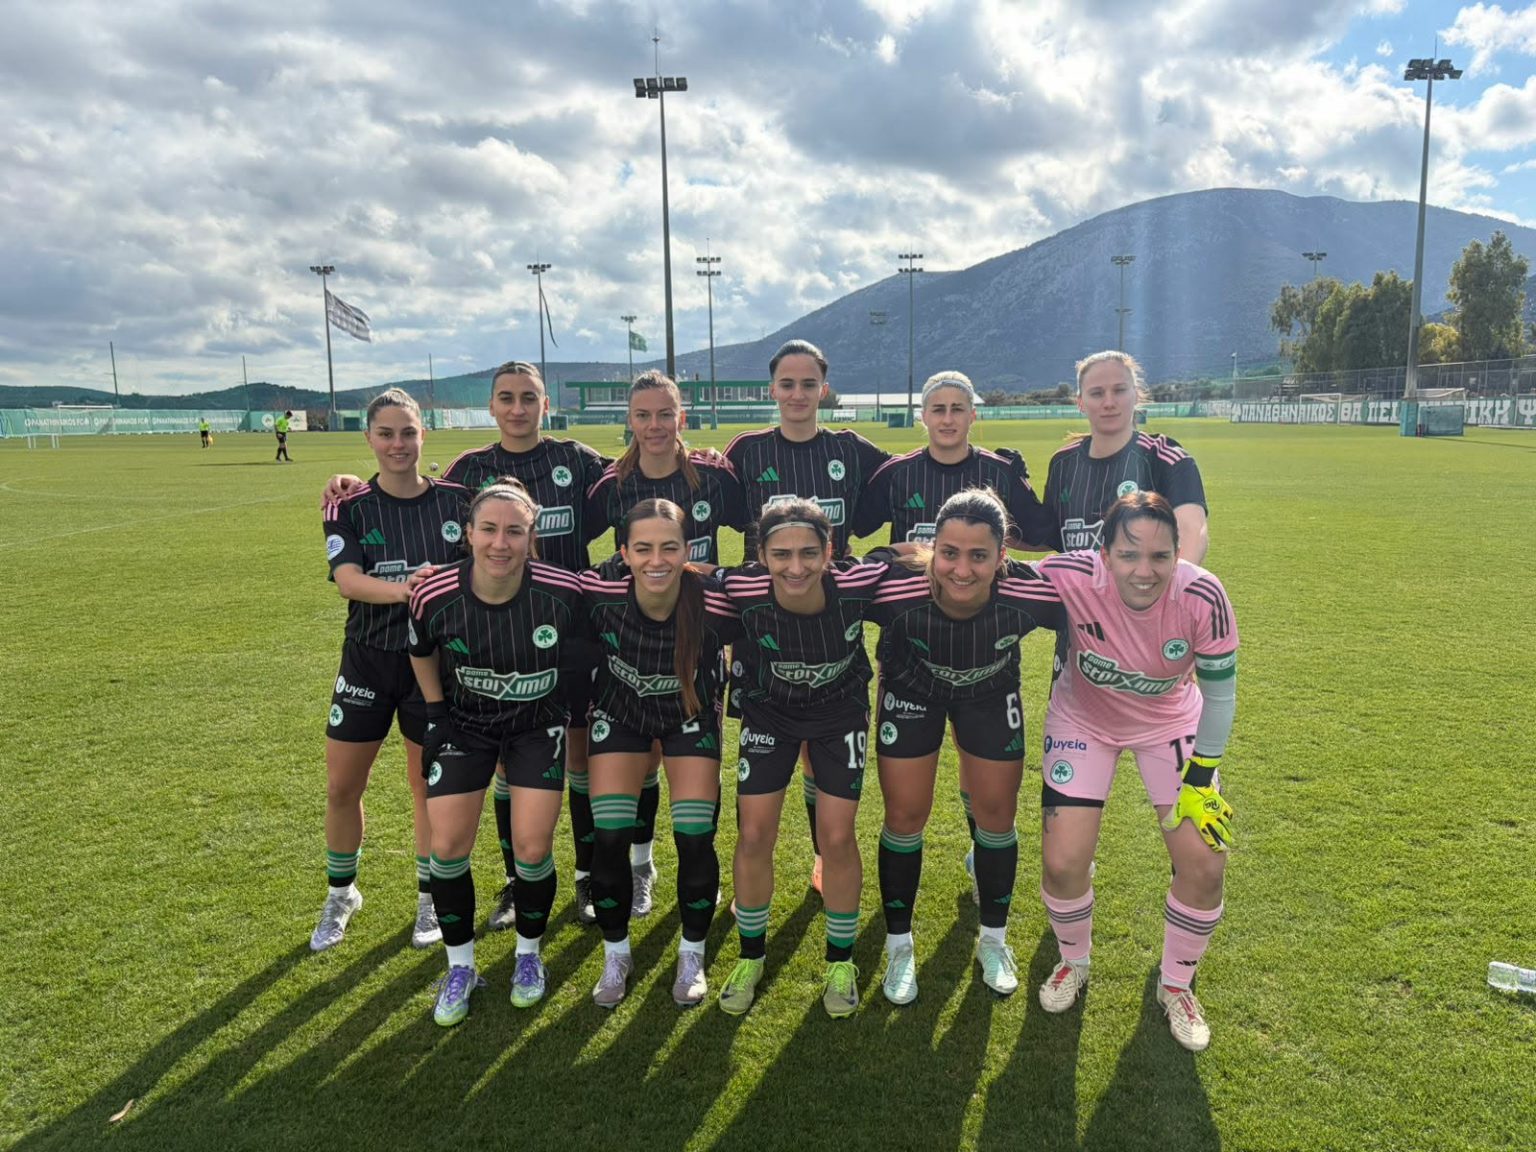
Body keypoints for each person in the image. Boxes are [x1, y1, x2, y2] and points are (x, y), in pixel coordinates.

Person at [326, 363, 610, 935]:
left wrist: (693, 454)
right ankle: (512, 883)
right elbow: (401, 502)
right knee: (505, 766)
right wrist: (349, 485)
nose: (517, 408)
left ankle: (585, 878)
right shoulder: (466, 472)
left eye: (528, 398)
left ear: (545, 404)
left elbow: (642, 476)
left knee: (575, 760)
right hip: (477, 645)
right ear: (491, 405)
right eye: (506, 397)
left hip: (562, 636)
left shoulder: (576, 459)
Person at [1033, 492, 1238, 1052]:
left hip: (1170, 723)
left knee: (1205, 865)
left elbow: (1220, 698)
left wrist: (1202, 777)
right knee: (1063, 862)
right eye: (1128, 555)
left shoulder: (1202, 594)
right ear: (1103, 554)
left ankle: (1176, 985)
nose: (1144, 571)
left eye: (1159, 556)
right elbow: (990, 576)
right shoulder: (1070, 574)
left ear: (1177, 553)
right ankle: (1073, 961)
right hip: (1083, 721)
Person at [865, 489, 1066, 1004]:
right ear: (933, 548)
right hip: (912, 692)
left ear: (1003, 556)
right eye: (949, 553)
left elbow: (1095, 599)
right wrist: (886, 553)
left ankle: (994, 941)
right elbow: (828, 584)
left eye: (979, 555)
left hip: (989, 695)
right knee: (905, 814)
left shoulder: (1030, 592)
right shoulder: (895, 591)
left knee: (996, 814)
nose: (961, 569)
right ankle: (899, 946)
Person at [407, 479, 585, 1025]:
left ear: (532, 537)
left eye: (514, 531)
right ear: (468, 533)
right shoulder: (433, 594)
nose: (500, 543)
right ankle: (460, 966)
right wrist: (436, 713)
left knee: (531, 849)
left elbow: (585, 649)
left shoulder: (563, 592)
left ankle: (528, 955)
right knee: (447, 846)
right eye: (488, 529)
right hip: (465, 726)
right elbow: (421, 650)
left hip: (536, 727)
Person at [725, 340, 890, 894]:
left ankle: (824, 857)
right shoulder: (747, 451)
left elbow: (904, 483)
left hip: (832, 623)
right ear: (772, 389)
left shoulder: (851, 449)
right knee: (770, 749)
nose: (798, 394)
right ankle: (756, 864)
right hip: (765, 624)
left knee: (824, 756)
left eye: (808, 383)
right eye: (787, 384)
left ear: (825, 389)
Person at [712, 499, 887, 1019]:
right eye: (781, 554)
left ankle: (840, 961)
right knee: (753, 834)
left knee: (837, 837)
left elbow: (904, 561)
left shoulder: (856, 584)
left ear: (830, 552)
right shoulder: (741, 587)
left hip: (839, 716)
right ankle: (750, 956)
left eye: (809, 553)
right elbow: (687, 574)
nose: (795, 566)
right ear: (761, 555)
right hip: (769, 715)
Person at [312, 389, 469, 954]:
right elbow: (349, 582)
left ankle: (429, 896)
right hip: (368, 661)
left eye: (407, 432)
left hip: (433, 664)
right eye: (386, 433)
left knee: (426, 786)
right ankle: (342, 893)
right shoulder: (348, 505)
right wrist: (409, 588)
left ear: (424, 434)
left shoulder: (458, 501)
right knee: (342, 785)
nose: (398, 444)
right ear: (369, 439)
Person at [577, 499, 742, 1008]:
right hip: (621, 716)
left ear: (688, 550)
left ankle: (692, 954)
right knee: (609, 836)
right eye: (643, 548)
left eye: (669, 547)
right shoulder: (599, 594)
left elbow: (779, 587)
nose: (656, 560)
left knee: (694, 836)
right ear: (623, 552)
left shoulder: (714, 601)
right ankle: (616, 955)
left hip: (690, 715)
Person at [851, 371, 1053, 549]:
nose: (948, 419)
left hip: (980, 583)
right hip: (911, 582)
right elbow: (851, 528)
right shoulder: (896, 474)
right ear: (924, 416)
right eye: (938, 409)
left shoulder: (1001, 472)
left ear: (972, 415)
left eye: (957, 409)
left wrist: (994, 534)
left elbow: (1045, 538)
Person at [1043, 352, 1208, 560]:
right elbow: (1048, 534)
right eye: (1096, 393)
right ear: (1081, 402)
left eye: (1119, 390)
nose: (1109, 402)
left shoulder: (1167, 460)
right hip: (1077, 584)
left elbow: (1192, 533)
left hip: (1149, 582)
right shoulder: (1062, 464)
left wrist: (1170, 580)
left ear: (1136, 395)